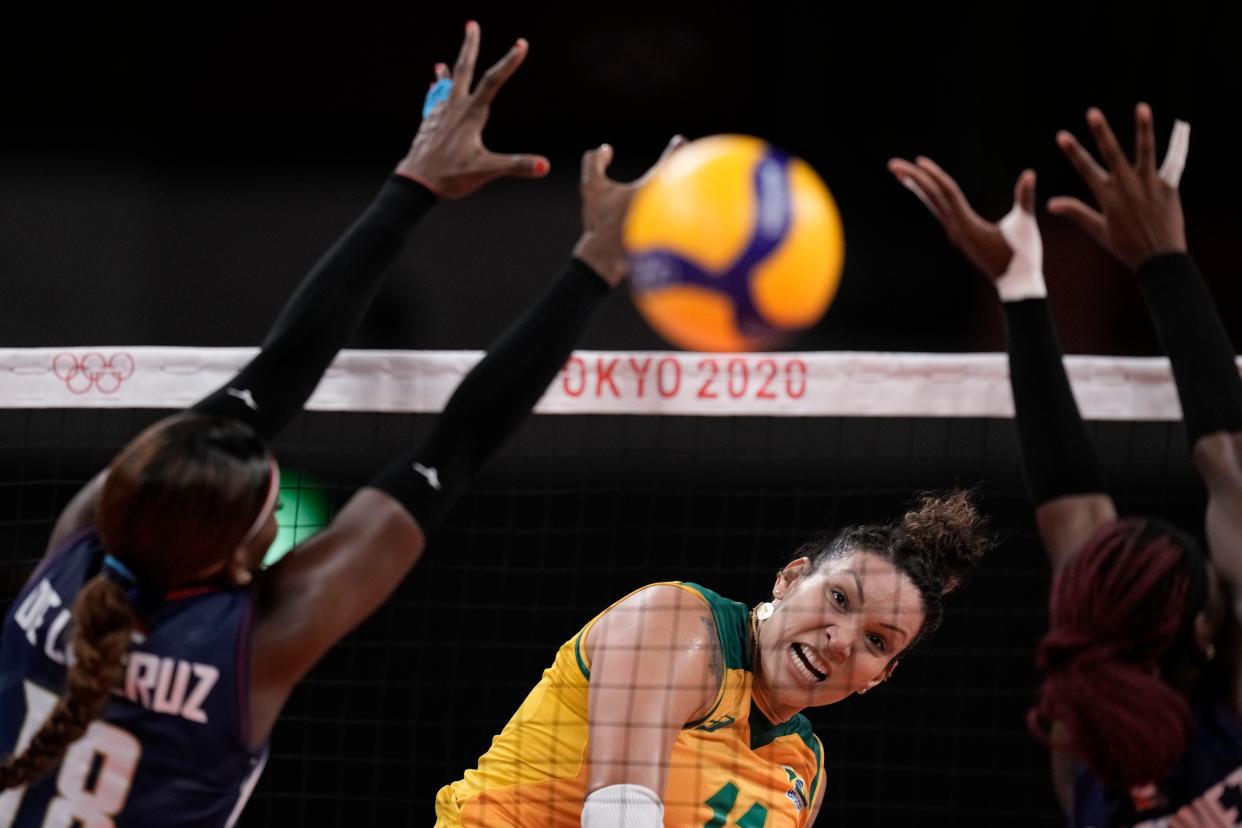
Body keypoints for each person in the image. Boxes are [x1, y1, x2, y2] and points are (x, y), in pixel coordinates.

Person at [0, 22, 675, 827]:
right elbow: (446, 449)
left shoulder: (76, 551)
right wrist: (596, 259)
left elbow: (279, 395)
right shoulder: (252, 650)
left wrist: (417, 182)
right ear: (248, 553)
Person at [890, 103, 1242, 825]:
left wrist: (1024, 288)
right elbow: (1227, 462)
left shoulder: (1083, 751)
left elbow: (1080, 520)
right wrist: (1161, 263)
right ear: (1207, 633)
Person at [435, 491, 989, 828]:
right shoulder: (679, 625)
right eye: (839, 599)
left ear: (881, 677)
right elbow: (618, 813)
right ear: (791, 578)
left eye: (877, 642)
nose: (841, 641)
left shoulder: (807, 769)